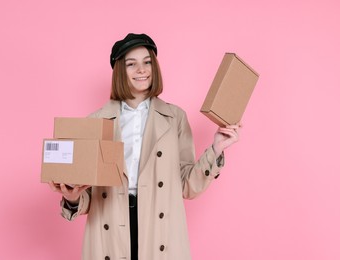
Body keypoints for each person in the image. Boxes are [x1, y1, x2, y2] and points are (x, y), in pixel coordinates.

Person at [49, 33, 241, 260]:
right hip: (110, 227)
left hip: (159, 227)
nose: (141, 69)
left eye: (147, 62)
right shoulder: (96, 121)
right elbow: (89, 193)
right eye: (132, 64)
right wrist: (72, 198)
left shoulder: (175, 117)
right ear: (120, 70)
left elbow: (186, 185)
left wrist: (216, 149)